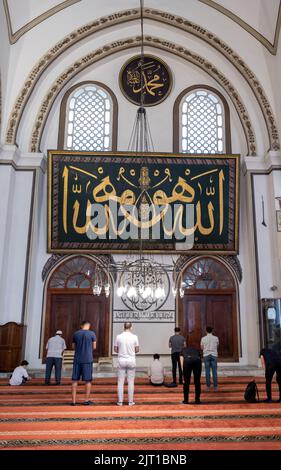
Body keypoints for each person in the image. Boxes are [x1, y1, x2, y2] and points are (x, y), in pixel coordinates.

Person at [71, 320, 97, 406]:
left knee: (75, 380)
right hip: (87, 359)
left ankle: (73, 401)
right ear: (88, 326)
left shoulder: (76, 334)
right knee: (88, 380)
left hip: (77, 359)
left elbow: (73, 347)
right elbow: (94, 347)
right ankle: (86, 400)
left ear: (81, 326)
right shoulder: (92, 334)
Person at [114, 322, 139, 406]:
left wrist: (121, 351)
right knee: (131, 382)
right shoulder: (135, 337)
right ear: (131, 327)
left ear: (123, 327)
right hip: (131, 360)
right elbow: (137, 350)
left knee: (120, 382)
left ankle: (120, 401)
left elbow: (115, 350)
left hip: (121, 360)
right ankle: (130, 401)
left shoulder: (118, 336)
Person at [200, 326, 219, 391]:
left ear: (206, 331)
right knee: (214, 371)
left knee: (207, 371)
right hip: (214, 355)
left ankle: (208, 386)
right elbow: (217, 346)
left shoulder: (203, 338)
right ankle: (215, 386)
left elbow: (202, 348)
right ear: (212, 331)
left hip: (206, 355)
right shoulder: (216, 338)